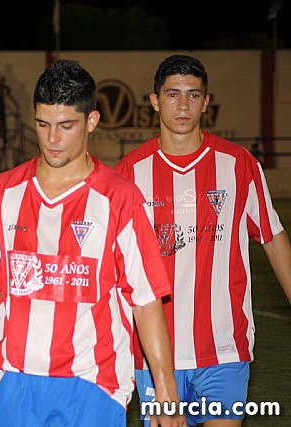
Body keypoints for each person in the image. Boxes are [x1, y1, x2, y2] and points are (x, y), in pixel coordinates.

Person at [0, 59, 185, 427]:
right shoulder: (3, 193)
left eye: (66, 125)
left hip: (95, 383)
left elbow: (146, 300)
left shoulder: (120, 198)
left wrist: (166, 390)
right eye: (43, 124)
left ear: (91, 121)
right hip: (16, 380)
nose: (52, 138)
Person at [115, 54, 291, 427]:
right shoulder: (129, 173)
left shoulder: (239, 164)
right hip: (157, 355)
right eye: (173, 94)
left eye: (193, 95)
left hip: (224, 348)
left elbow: (274, 239)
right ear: (154, 101)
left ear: (206, 102)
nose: (183, 105)